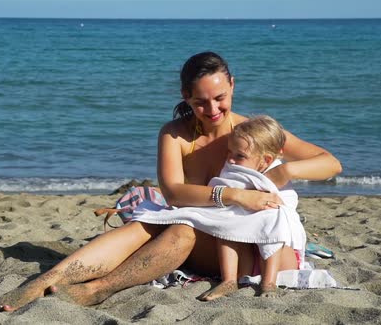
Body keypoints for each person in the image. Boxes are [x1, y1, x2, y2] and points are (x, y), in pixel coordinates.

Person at [0, 51, 342, 311]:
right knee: (142, 226)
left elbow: (331, 163)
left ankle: (101, 287)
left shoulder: (253, 134)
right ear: (185, 97)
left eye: (220, 98)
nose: (213, 110)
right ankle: (48, 279)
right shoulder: (175, 135)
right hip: (205, 234)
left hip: (252, 248)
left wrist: (284, 172)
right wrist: (234, 194)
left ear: (233, 85)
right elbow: (174, 193)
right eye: (200, 102)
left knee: (180, 229)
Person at [131, 115, 306, 301]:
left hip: (276, 256)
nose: (230, 160)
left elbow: (285, 204)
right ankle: (229, 279)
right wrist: (235, 203)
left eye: (240, 156)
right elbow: (223, 188)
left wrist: (264, 206)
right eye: (229, 152)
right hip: (245, 256)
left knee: (271, 220)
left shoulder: (275, 172)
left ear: (265, 160)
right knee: (226, 222)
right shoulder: (233, 168)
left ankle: (269, 282)